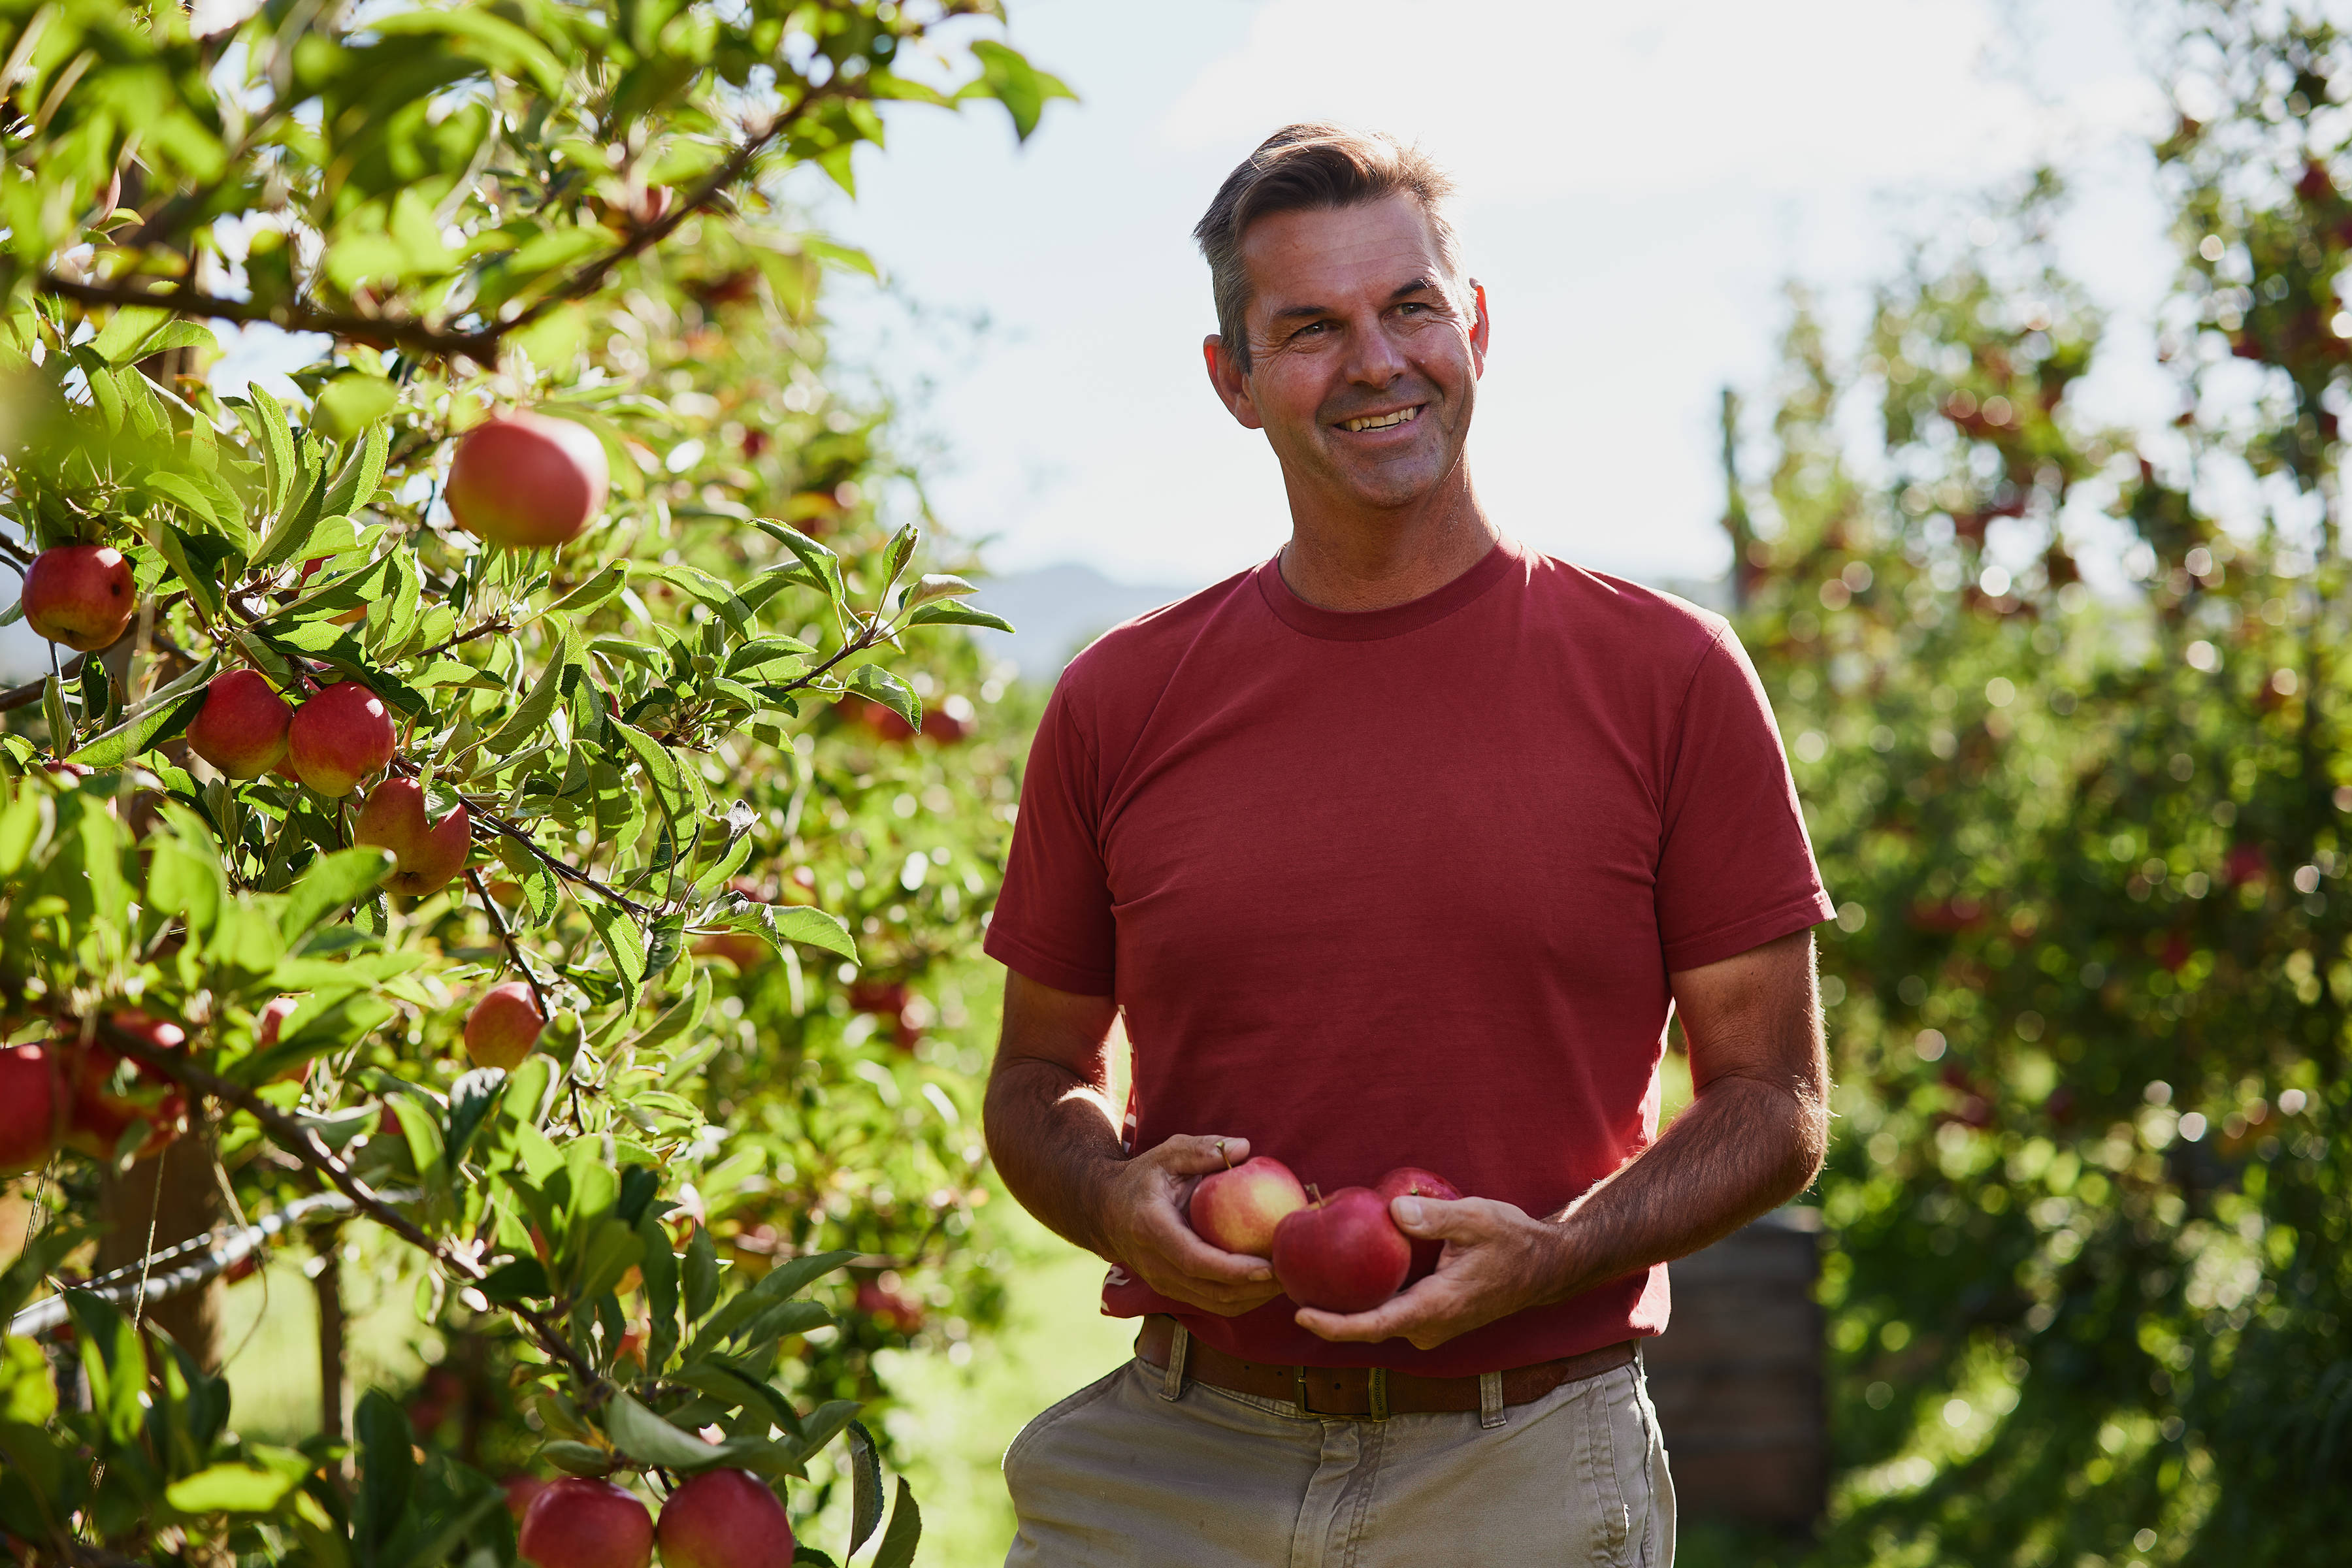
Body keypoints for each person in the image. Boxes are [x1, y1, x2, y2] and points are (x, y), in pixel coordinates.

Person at [981, 122, 1834, 1567]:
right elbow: (1035, 1076)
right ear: (1232, 383)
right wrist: (1113, 1198)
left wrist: (1562, 1255)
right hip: (1176, 1455)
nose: (1377, 362)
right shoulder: (1120, 700)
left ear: (1476, 326)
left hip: (1526, 1460)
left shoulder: (1668, 673)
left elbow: (1776, 1104)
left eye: (1411, 307)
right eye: (1310, 329)